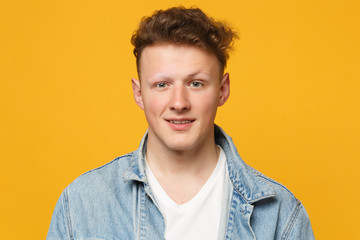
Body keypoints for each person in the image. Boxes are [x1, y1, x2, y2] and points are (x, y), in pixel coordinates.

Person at [47, 7, 314, 240]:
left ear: (222, 90)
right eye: (162, 85)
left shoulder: (281, 213)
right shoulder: (82, 203)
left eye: (195, 83)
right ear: (139, 94)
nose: (179, 102)